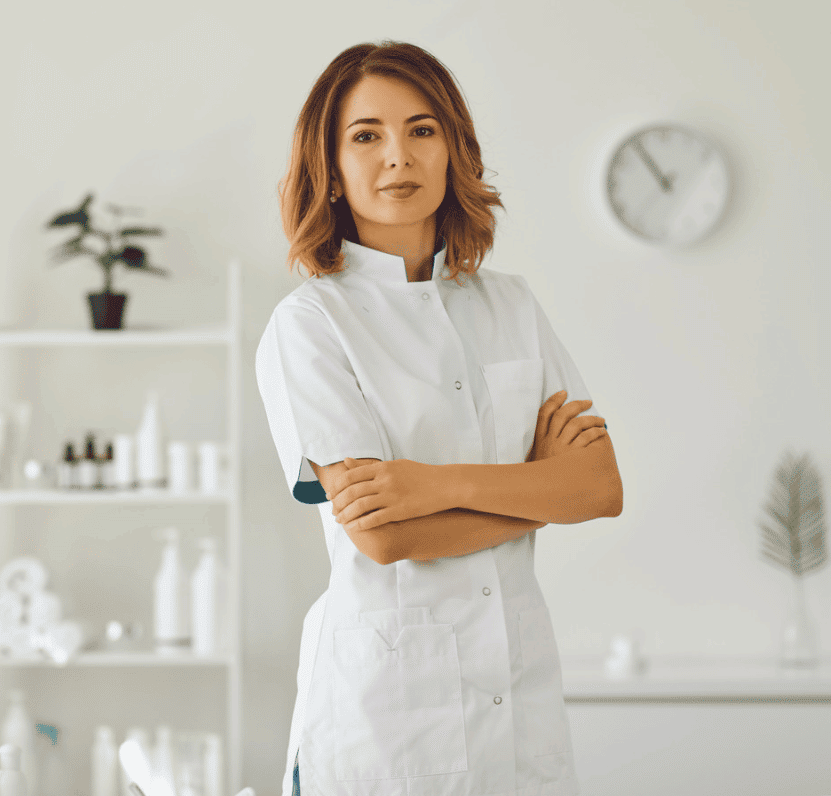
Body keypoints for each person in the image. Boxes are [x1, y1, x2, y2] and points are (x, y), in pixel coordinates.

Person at [256, 40, 623, 796]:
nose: (399, 155)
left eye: (422, 129)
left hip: (520, 702)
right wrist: (538, 487)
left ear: (453, 149)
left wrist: (431, 485)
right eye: (367, 136)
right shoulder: (311, 324)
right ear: (329, 167)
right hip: (388, 721)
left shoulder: (511, 305)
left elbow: (598, 488)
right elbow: (384, 536)